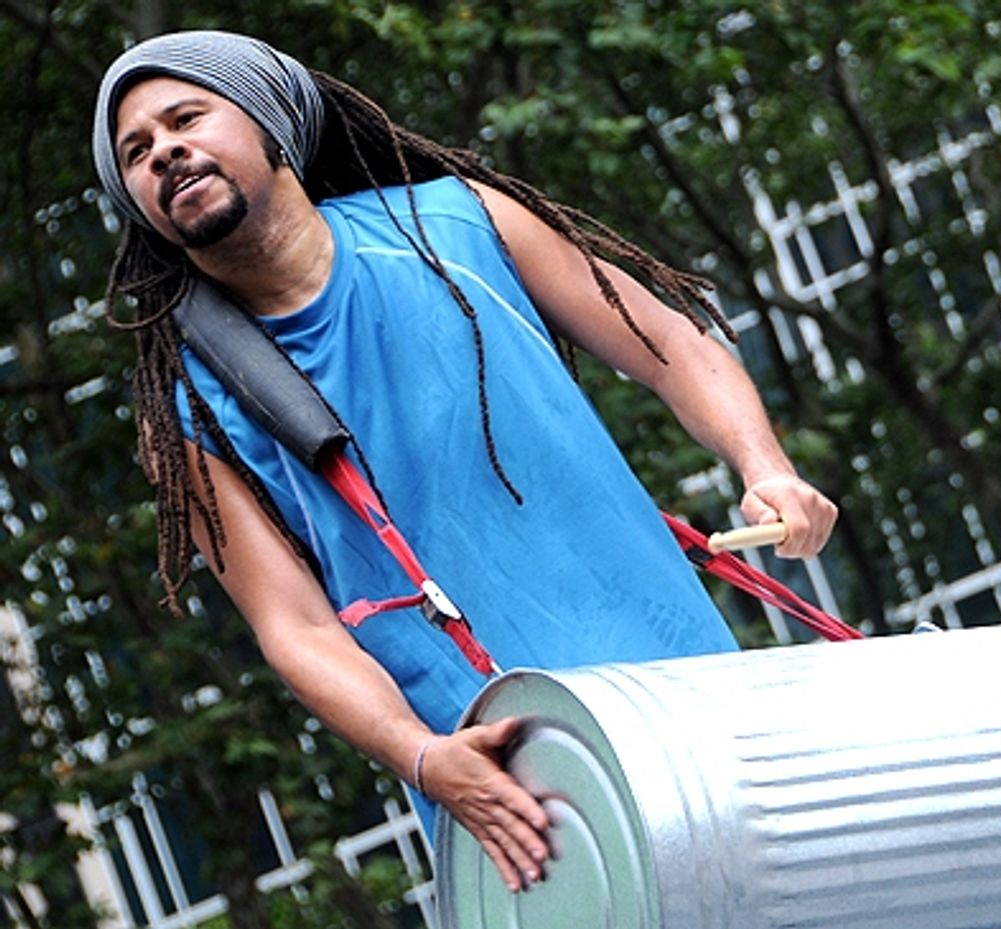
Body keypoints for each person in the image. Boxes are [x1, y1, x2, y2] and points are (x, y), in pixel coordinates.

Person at [91, 30, 837, 893]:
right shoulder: (192, 407)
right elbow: (293, 628)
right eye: (135, 153)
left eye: (187, 118)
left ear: (269, 124)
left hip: (692, 695)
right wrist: (423, 756)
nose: (164, 152)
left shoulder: (458, 223)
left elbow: (672, 342)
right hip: (512, 799)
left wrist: (765, 464)